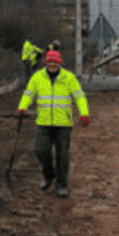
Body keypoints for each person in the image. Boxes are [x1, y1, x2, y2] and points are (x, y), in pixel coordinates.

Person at [15, 50, 89, 198]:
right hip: (43, 122)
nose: (52, 64)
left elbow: (79, 96)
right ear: (46, 62)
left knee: (62, 156)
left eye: (55, 61)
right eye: (50, 61)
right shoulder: (37, 77)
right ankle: (49, 175)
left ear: (59, 62)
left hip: (63, 124)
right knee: (40, 150)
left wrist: (84, 113)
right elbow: (29, 94)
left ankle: (62, 185)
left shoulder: (68, 77)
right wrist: (22, 106)